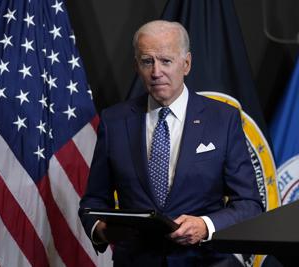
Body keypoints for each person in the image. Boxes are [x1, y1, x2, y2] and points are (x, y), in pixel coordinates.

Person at [79, 20, 263, 266]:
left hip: (205, 261)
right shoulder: (114, 121)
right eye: (147, 61)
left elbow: (249, 204)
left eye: (166, 61)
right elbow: (93, 202)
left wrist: (206, 226)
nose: (156, 72)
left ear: (186, 63)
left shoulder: (223, 119)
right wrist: (102, 230)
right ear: (137, 66)